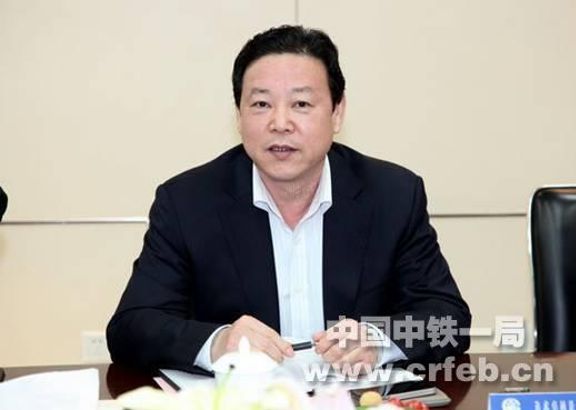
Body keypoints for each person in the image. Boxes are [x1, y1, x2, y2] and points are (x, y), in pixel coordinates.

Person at [107, 25, 471, 374]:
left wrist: (379, 339)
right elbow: (132, 327)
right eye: (261, 104)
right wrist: (217, 343)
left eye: (301, 103)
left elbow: (449, 319)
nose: (280, 123)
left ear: (337, 112)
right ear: (239, 115)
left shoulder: (392, 195)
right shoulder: (187, 202)